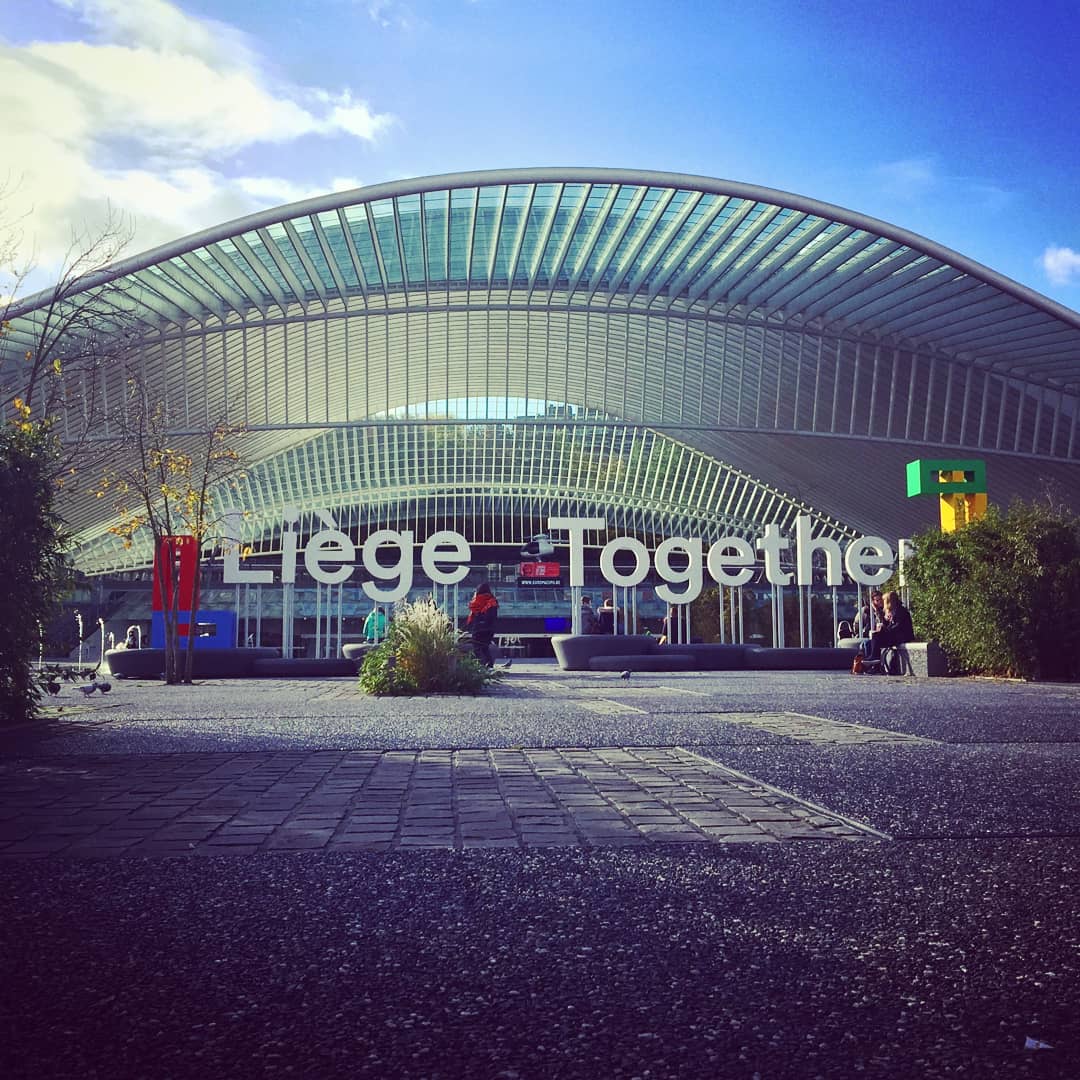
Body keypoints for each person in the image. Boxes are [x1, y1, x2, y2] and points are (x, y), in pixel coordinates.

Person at [865, 590, 915, 664]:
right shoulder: (893, 610)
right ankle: (874, 659)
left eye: (884, 600)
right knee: (873, 638)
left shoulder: (901, 611)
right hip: (896, 635)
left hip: (903, 636)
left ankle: (875, 657)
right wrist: (884, 622)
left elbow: (898, 626)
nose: (883, 602)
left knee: (876, 636)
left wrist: (886, 630)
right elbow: (888, 625)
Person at [466, 583, 499, 666]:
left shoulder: (476, 600)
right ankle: (489, 665)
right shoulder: (492, 601)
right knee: (485, 648)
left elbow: (473, 615)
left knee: (477, 648)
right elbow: (492, 616)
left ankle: (481, 665)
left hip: (478, 628)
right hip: (489, 629)